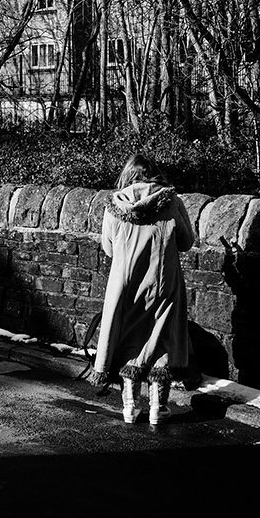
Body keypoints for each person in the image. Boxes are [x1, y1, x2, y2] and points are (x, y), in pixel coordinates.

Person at [88, 153, 196, 426]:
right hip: (163, 282)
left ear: (128, 174)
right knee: (161, 337)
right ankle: (158, 406)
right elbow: (186, 242)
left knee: (129, 339)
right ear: (154, 173)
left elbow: (108, 248)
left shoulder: (115, 204)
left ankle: (130, 405)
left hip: (125, 285)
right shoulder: (171, 201)